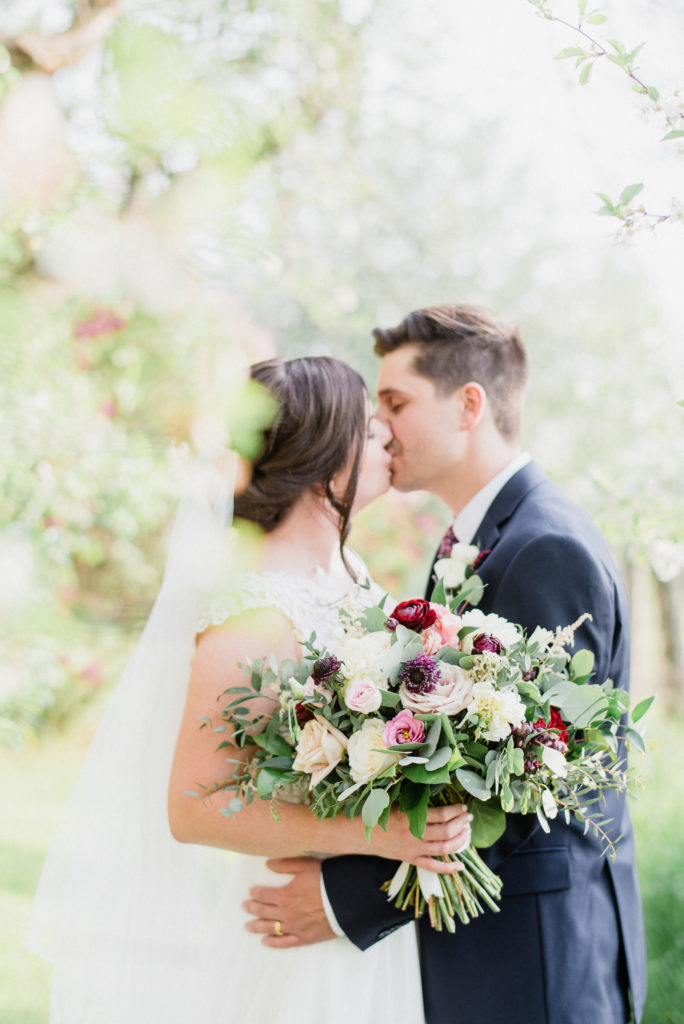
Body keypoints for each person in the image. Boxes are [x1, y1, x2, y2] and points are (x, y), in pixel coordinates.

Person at [27, 355, 471, 1024]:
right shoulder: (252, 606)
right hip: (289, 936)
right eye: (365, 424)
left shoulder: (351, 573)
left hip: (359, 932)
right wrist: (379, 837)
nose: (384, 432)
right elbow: (195, 806)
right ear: (325, 464)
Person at [245, 308, 647, 1024]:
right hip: (485, 956)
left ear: (469, 405)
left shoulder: (545, 546)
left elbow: (523, 782)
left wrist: (346, 900)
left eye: (396, 404)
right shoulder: (475, 539)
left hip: (537, 964)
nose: (381, 428)